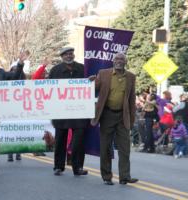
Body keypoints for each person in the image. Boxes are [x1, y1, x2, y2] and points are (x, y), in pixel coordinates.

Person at [90, 52, 138, 185]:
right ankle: (106, 176)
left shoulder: (131, 77)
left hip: (123, 116)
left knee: (125, 148)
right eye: (117, 58)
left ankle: (125, 177)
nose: (119, 61)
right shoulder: (104, 73)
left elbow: (132, 100)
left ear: (125, 62)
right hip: (107, 115)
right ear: (113, 61)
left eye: (122, 59)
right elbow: (94, 88)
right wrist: (91, 82)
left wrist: (132, 119)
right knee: (105, 147)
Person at [48, 47, 88, 176]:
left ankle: (78, 167)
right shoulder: (55, 70)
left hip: (79, 111)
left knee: (79, 142)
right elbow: (49, 90)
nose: (69, 56)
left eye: (71, 54)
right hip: (61, 112)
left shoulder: (83, 68)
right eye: (66, 54)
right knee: (60, 140)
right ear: (62, 56)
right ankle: (58, 166)